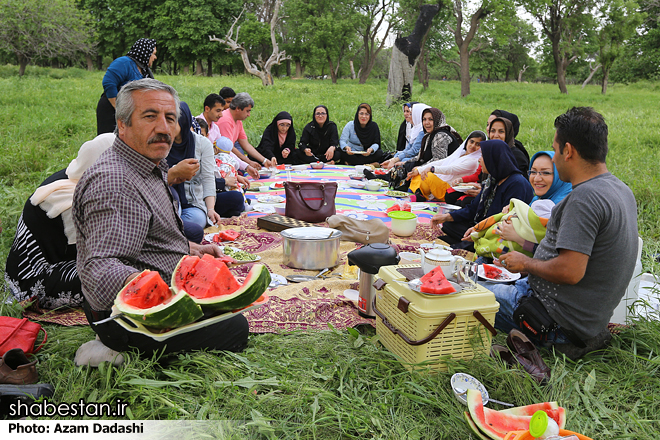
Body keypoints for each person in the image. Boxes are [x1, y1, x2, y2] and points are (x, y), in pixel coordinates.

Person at [73, 79, 248, 362]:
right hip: (127, 318)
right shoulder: (115, 181)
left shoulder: (148, 165)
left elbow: (150, 240)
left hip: (158, 297)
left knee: (226, 302)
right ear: (122, 124)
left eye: (170, 118)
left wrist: (193, 251)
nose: (164, 128)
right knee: (235, 328)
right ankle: (117, 351)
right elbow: (99, 267)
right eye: (150, 116)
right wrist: (154, 291)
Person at [482, 107, 638, 360]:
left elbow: (570, 271)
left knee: (465, 289)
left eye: (555, 150)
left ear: (569, 151)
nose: (553, 158)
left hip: (555, 320)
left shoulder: (585, 198)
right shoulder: (620, 189)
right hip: (586, 320)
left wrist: (527, 263)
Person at [5, 134, 115, 309]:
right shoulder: (69, 200)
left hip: (57, 262)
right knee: (114, 280)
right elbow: (97, 255)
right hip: (33, 281)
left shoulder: (75, 175)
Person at [431, 139, 533, 248]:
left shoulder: (517, 184)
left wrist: (478, 231)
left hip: (498, 232)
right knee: (448, 224)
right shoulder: (493, 180)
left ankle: (468, 244)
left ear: (493, 159)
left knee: (469, 238)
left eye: (483, 156)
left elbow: (504, 220)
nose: (479, 160)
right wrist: (447, 216)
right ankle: (468, 242)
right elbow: (473, 208)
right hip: (482, 225)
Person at [167, 102, 221, 230]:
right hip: (166, 201)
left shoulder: (202, 144)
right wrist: (175, 171)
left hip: (192, 202)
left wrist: (210, 209)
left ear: (183, 121)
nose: (166, 127)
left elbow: (208, 178)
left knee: (196, 222)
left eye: (172, 121)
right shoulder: (160, 143)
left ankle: (173, 228)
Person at [96, 39, 157, 135]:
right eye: (153, 53)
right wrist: (119, 110)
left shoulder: (145, 71)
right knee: (110, 142)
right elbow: (109, 83)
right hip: (112, 109)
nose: (155, 57)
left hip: (130, 112)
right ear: (145, 52)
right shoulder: (124, 62)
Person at [407, 130, 485, 202]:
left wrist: (431, 169)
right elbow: (441, 162)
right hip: (441, 183)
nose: (473, 146)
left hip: (448, 189)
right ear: (467, 141)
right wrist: (420, 169)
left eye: (478, 144)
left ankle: (420, 193)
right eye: (471, 142)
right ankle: (419, 194)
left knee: (428, 176)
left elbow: (450, 169)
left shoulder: (474, 161)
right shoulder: (461, 153)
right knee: (418, 170)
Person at [216, 92, 274, 174]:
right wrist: (248, 163)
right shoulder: (225, 120)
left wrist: (264, 160)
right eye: (247, 111)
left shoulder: (238, 120)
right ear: (238, 109)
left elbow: (245, 144)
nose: (249, 115)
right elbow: (229, 149)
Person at [381, 103, 430, 170]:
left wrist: (395, 160)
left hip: (421, 159)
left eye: (411, 114)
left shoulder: (422, 131)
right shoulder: (415, 129)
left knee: (404, 160)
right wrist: (393, 159)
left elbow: (414, 151)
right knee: (398, 155)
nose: (409, 116)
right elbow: (408, 148)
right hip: (413, 156)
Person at [214, 137, 249, 218]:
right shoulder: (230, 157)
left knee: (242, 185)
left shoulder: (214, 157)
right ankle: (241, 206)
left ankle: (235, 208)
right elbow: (237, 165)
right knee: (237, 196)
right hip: (213, 192)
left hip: (223, 183)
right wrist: (224, 181)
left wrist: (237, 177)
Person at [488, 110, 530, 174]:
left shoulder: (517, 157)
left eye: (501, 131)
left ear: (509, 130)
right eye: (492, 130)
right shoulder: (490, 150)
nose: (496, 135)